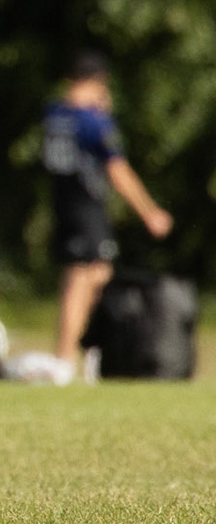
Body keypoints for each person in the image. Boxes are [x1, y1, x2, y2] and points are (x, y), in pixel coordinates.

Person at [42, 51, 170, 376]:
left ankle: (88, 350)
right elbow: (118, 171)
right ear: (98, 81)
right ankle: (65, 356)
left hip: (63, 201)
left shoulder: (54, 113)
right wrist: (149, 211)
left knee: (99, 273)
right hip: (87, 205)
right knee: (81, 278)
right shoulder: (93, 121)